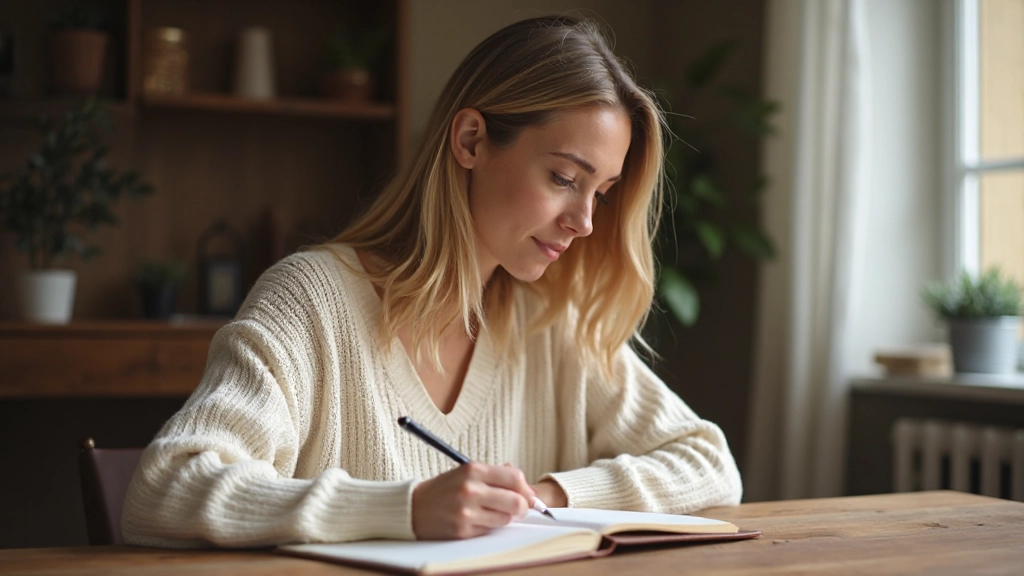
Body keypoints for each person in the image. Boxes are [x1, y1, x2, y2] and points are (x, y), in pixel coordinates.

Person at [122, 15, 742, 548]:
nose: (583, 222)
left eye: (601, 194)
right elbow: (164, 490)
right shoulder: (311, 301)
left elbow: (709, 463)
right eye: (563, 178)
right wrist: (405, 510)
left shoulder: (550, 320)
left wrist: (546, 495)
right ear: (471, 140)